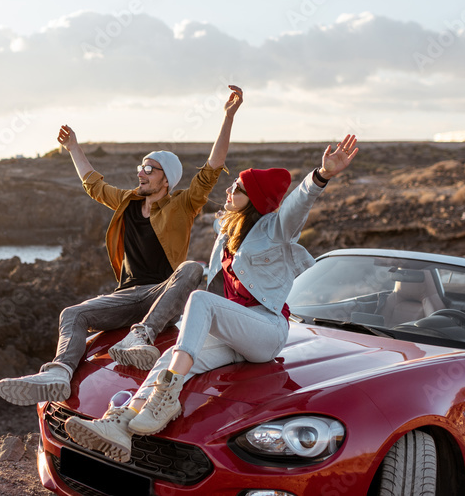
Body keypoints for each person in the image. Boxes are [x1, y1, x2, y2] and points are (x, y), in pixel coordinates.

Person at [64, 134, 359, 462]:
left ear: (256, 199)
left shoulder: (276, 229)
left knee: (201, 301)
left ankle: (168, 395)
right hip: (233, 330)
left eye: (239, 187)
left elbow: (298, 202)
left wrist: (321, 175)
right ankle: (121, 426)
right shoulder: (227, 232)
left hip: (265, 329)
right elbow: (214, 282)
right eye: (233, 184)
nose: (230, 189)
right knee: (171, 354)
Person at [0, 86, 244, 406]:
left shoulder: (182, 204)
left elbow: (211, 169)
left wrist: (227, 117)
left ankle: (142, 336)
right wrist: (73, 147)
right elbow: (94, 185)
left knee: (193, 268)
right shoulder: (128, 201)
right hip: (127, 295)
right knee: (72, 314)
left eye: (149, 168)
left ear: (165, 179)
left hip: (162, 294)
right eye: (141, 166)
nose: (141, 172)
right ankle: (58, 372)